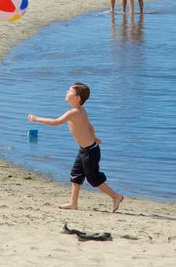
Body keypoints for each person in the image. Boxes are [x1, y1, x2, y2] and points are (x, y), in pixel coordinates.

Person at [28, 82, 124, 213]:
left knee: (93, 178)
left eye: (69, 91)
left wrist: (36, 118)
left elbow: (55, 122)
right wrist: (94, 138)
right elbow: (90, 126)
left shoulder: (74, 112)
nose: (66, 92)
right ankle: (73, 203)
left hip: (89, 151)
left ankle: (116, 196)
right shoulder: (81, 111)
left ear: (78, 98)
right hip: (86, 149)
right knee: (76, 175)